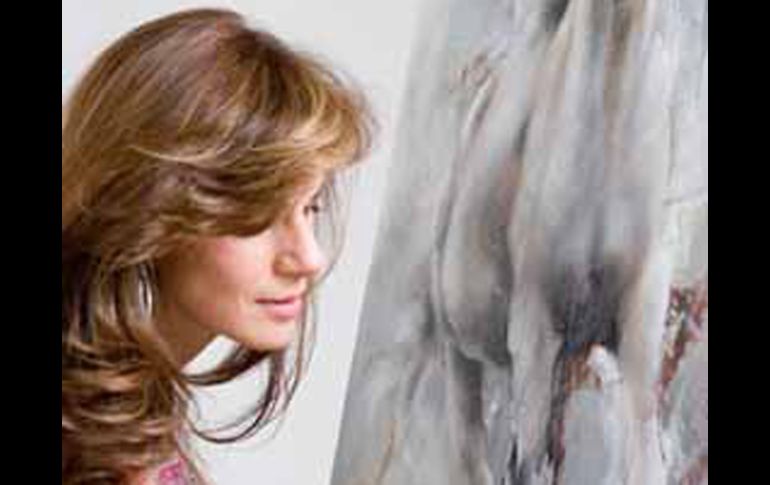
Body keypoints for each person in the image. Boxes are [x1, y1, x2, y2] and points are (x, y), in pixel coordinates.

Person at [62, 8, 373, 484]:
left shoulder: (126, 419)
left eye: (310, 208)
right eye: (259, 214)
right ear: (147, 206)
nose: (310, 258)